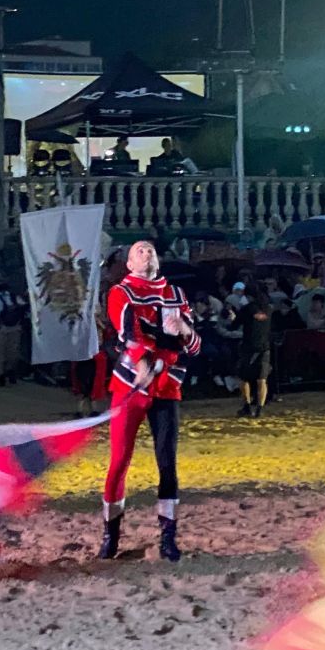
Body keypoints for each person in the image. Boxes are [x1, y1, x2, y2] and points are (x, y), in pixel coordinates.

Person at [99, 241, 201, 563]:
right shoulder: (121, 292)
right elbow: (128, 334)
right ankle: (110, 534)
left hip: (166, 387)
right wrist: (142, 360)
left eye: (150, 249)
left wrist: (184, 328)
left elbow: (195, 346)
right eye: (139, 250)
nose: (147, 252)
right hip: (131, 387)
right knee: (119, 463)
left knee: (167, 463)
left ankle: (168, 536)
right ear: (129, 263)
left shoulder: (177, 295)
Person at [237, 291, 275, 419]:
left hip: (248, 347)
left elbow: (234, 325)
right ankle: (260, 409)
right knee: (262, 379)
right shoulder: (269, 309)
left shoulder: (246, 309)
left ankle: (247, 406)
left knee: (244, 378)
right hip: (264, 347)